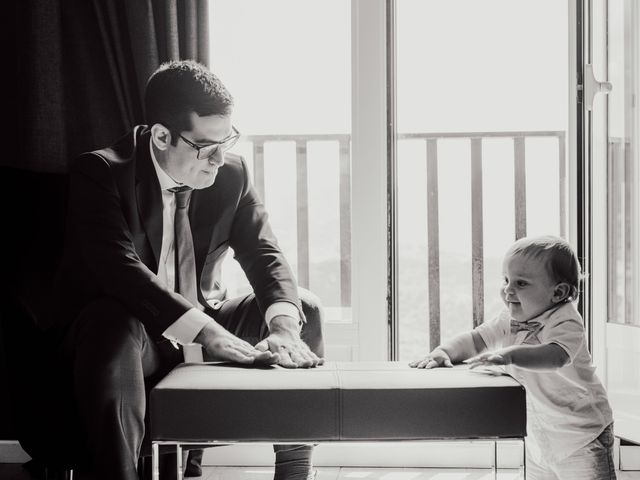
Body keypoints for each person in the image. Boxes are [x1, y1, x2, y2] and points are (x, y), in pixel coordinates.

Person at [48, 60, 324, 480]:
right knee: (114, 322)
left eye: (227, 140)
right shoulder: (101, 172)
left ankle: (294, 472)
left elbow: (264, 252)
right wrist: (209, 335)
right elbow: (119, 271)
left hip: (203, 316)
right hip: (132, 335)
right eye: (206, 147)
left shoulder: (232, 175)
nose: (219, 158)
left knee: (303, 306)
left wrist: (284, 327)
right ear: (161, 135)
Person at [409, 235, 616, 480]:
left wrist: (510, 355)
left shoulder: (565, 320)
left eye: (521, 283)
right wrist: (445, 351)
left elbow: (556, 356)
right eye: (506, 280)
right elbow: (477, 339)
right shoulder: (510, 319)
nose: (508, 290)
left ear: (558, 292)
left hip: (582, 436)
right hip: (541, 438)